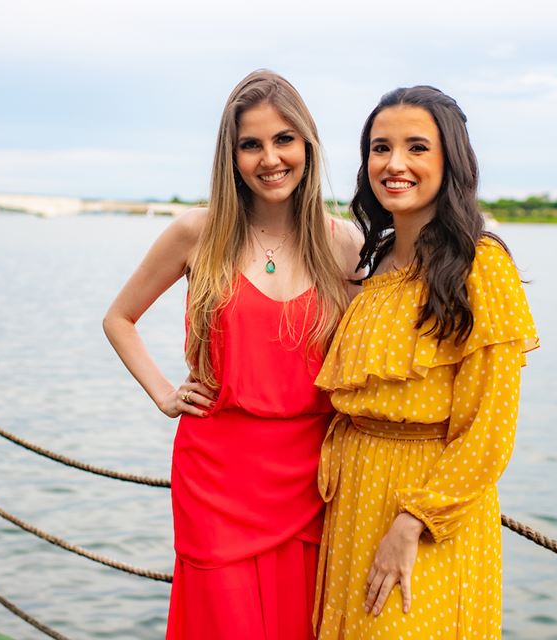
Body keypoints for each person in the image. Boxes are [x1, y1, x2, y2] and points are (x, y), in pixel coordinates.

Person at [103, 69, 363, 639]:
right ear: (232, 155)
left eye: (283, 139)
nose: (270, 158)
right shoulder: (197, 232)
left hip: (311, 478)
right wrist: (164, 395)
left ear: (308, 144)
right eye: (251, 144)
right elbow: (119, 319)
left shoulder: (344, 244)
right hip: (216, 476)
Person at [312, 86, 539, 639]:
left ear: (450, 160)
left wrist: (413, 522)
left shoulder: (480, 266)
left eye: (416, 148)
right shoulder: (375, 264)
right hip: (353, 501)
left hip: (427, 511)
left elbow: (489, 428)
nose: (394, 164)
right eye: (380, 148)